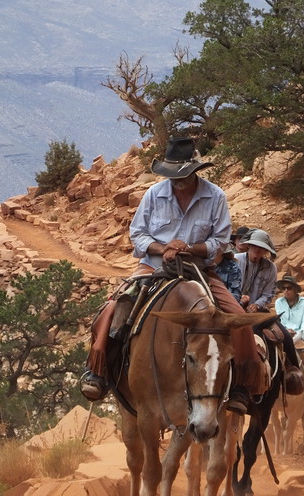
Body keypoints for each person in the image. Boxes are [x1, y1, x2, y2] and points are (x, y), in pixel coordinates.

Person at [81, 137, 265, 415]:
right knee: (113, 307)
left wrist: (188, 248)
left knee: (237, 316)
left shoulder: (215, 196)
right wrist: (164, 248)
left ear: (195, 171)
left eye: (182, 174)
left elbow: (220, 240)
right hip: (154, 267)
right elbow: (138, 234)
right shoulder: (154, 194)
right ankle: (99, 371)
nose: (177, 180)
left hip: (199, 269)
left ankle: (241, 384)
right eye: (172, 174)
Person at [234, 229, 277, 312]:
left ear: (265, 250)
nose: (257, 249)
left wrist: (257, 305)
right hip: (233, 306)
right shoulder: (235, 260)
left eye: (261, 247)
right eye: (254, 245)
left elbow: (268, 293)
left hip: (256, 311)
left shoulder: (271, 268)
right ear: (249, 245)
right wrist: (238, 297)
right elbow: (226, 285)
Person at [274, 276, 304, 344]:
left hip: (300, 334)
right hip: (284, 333)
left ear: (295, 289)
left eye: (289, 288)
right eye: (284, 288)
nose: (286, 291)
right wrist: (286, 331)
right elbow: (280, 321)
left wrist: (299, 334)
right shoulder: (279, 302)